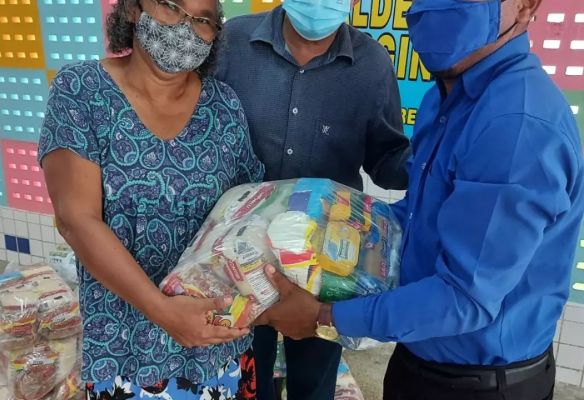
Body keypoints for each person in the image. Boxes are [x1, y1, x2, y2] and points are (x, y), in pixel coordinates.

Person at [256, 0, 584, 399]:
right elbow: (420, 217)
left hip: (479, 383)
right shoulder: (446, 97)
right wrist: (328, 227)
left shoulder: (516, 125)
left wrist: (323, 317)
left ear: (526, 6)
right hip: (419, 357)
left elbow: (464, 298)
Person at [38, 0, 263, 398]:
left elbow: (248, 209)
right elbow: (76, 219)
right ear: (132, 9)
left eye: (203, 20)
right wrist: (164, 313)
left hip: (215, 344)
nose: (186, 27)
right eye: (172, 6)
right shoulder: (82, 91)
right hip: (125, 353)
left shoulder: (224, 105)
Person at [215, 0, 410, 398]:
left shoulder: (372, 63)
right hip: (240, 255)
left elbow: (386, 157)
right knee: (246, 375)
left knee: (315, 379)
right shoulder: (233, 42)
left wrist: (438, 158)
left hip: (327, 260)